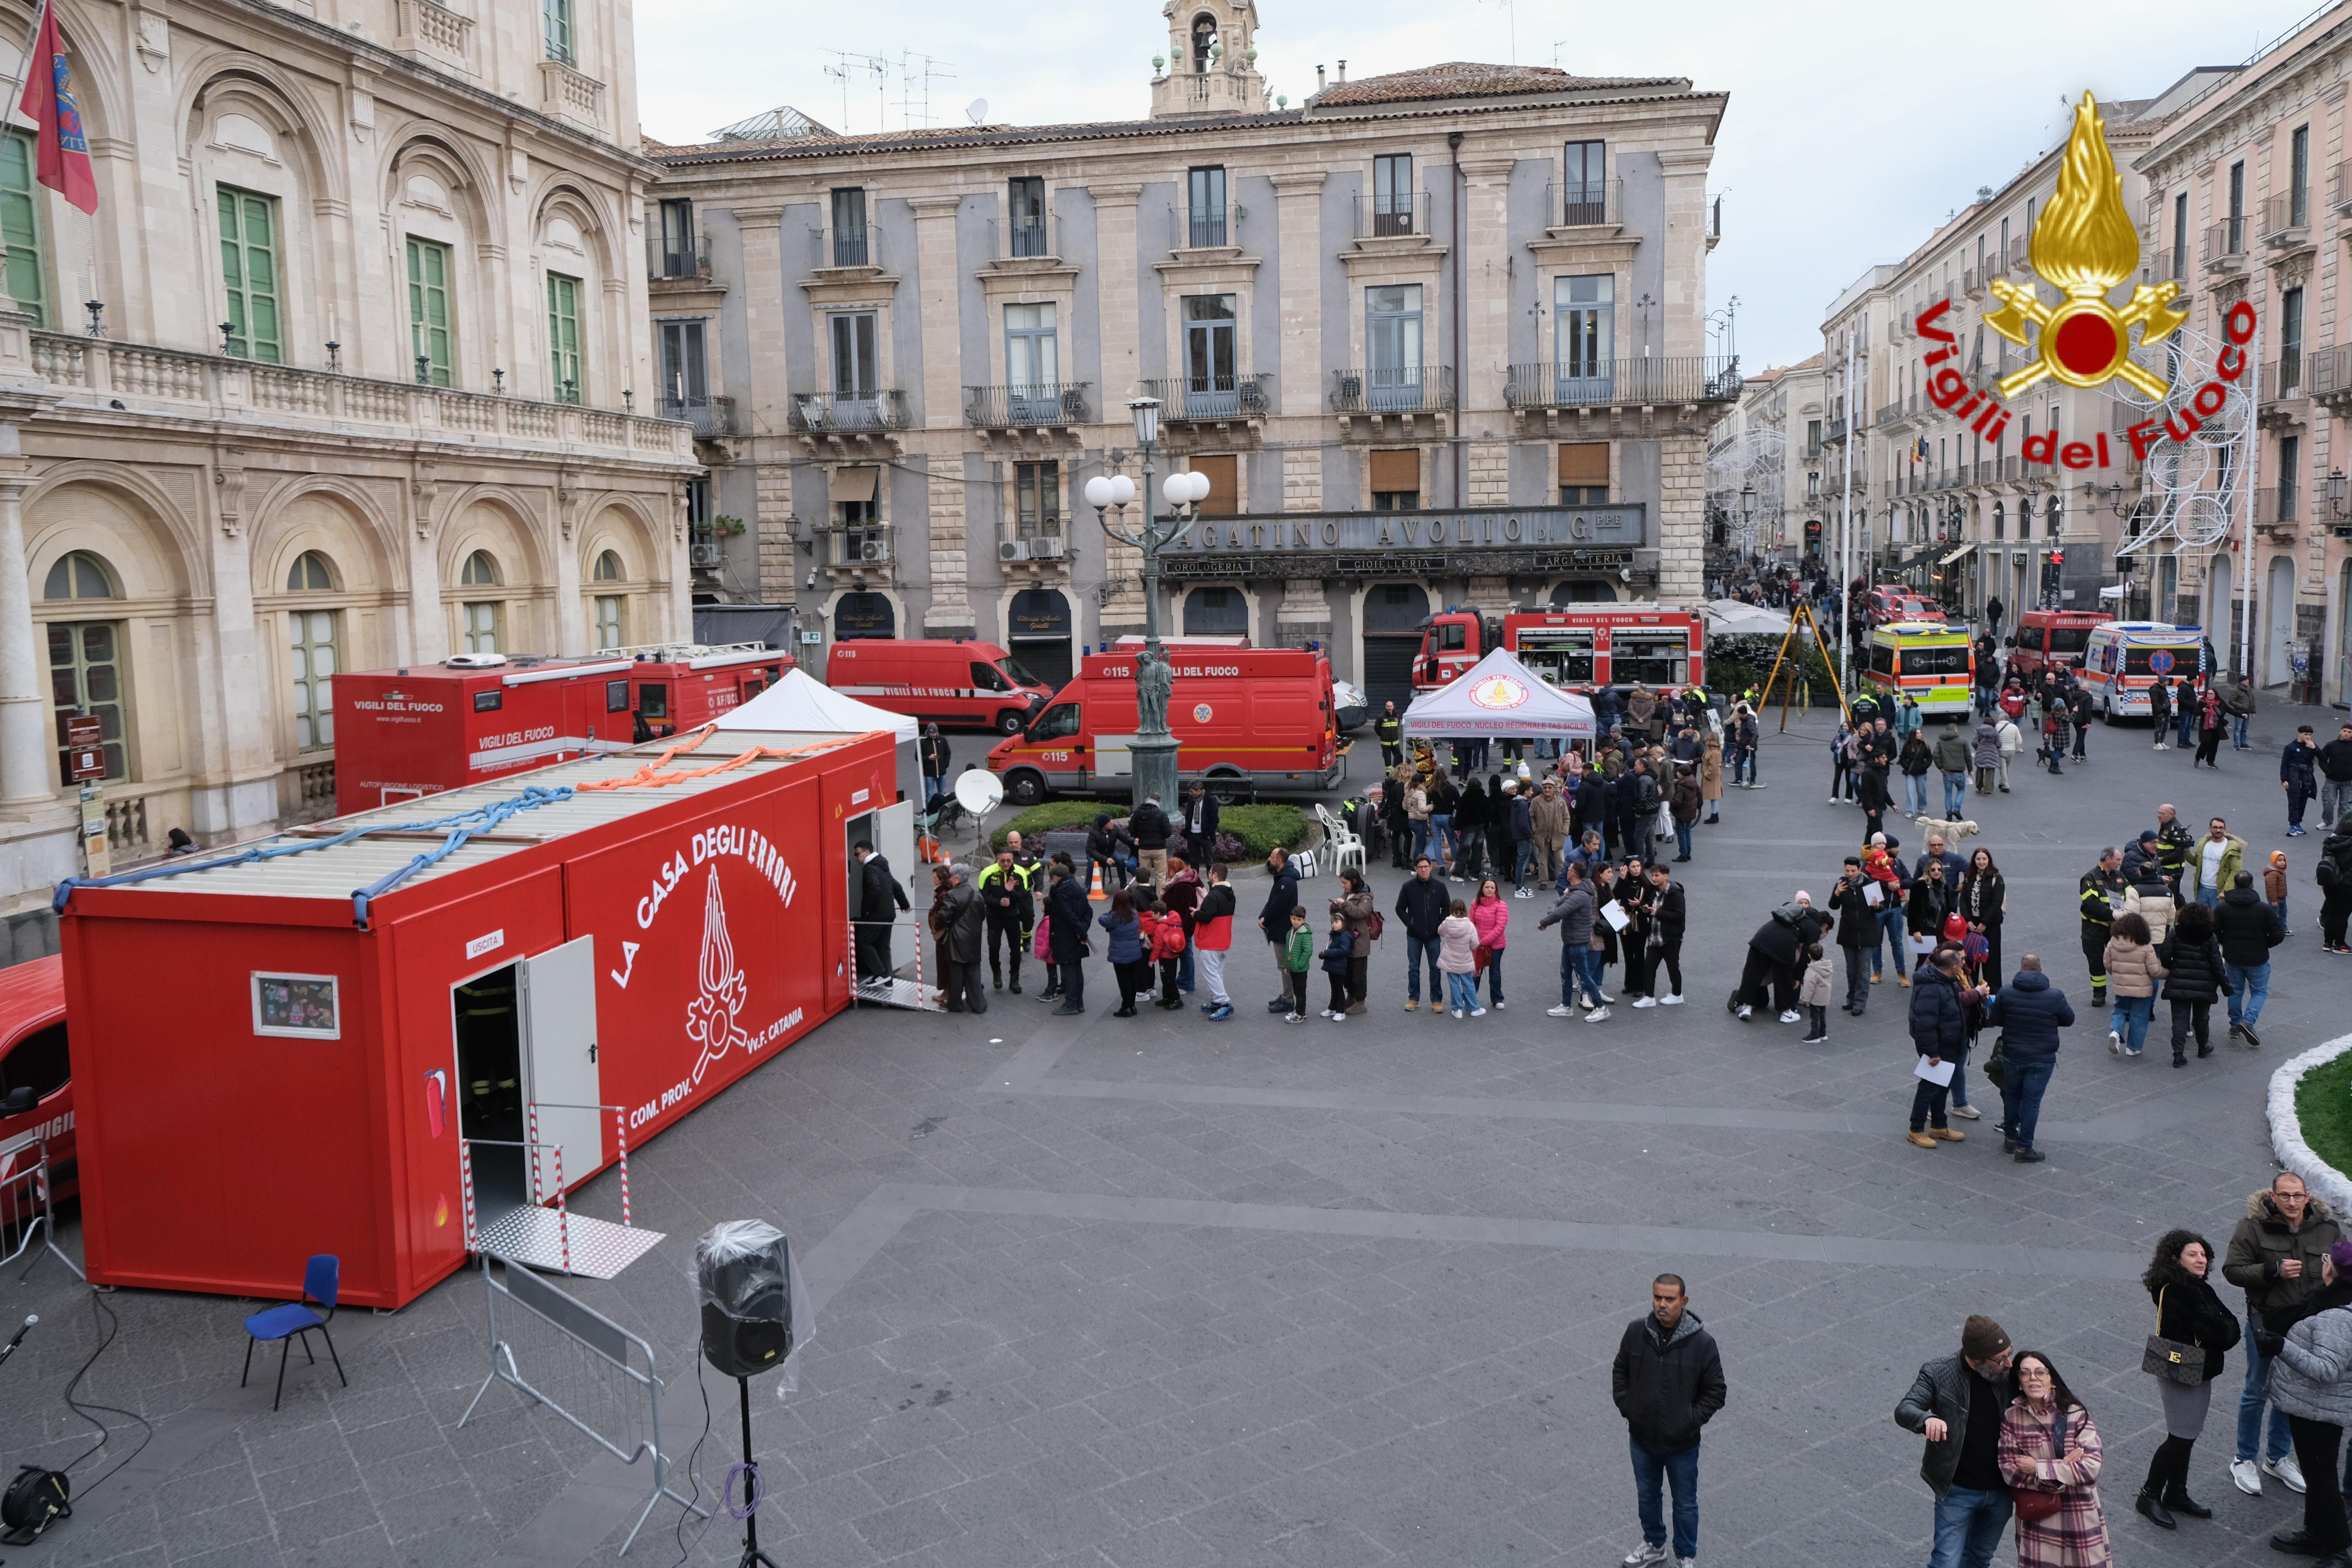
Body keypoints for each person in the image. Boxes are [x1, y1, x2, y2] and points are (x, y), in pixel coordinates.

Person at [2224, 1171, 2341, 1496]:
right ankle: (2244, 1459)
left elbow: (2344, 1268)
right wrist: (2270, 1270)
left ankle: (2277, 1458)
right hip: (2268, 1322)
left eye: (2298, 1195)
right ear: (2272, 1197)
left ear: (2307, 1197)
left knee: (2290, 1395)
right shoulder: (2252, 1227)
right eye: (2285, 1196)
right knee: (2256, 1390)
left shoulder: (2328, 1229)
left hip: (2307, 1326)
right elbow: (2232, 1270)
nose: (2292, 1202)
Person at [1610, 1274, 1725, 1568]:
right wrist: (1629, 1407)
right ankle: (1654, 1545)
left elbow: (1716, 1391)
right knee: (1647, 1495)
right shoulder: (1637, 1332)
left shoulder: (1702, 1344)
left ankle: (1686, 1557)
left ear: (1683, 1302)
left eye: (1670, 1299)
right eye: (1658, 1297)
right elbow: (1620, 1369)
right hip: (1642, 1439)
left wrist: (1689, 1420)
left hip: (1682, 1444)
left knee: (1685, 1504)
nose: (1662, 1305)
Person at [2134, 1229, 2242, 1530]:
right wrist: (2227, 1328)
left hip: (2198, 1368)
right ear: (2175, 1258)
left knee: (2188, 1435)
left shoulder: (2197, 1287)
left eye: (2204, 1254)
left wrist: (2227, 1328)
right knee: (2180, 1437)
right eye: (2192, 1254)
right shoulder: (2178, 1290)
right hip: (2181, 1370)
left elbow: (2228, 1324)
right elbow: (2223, 1331)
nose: (2201, 1260)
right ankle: (2149, 1495)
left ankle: (2176, 1493)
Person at [1895, 1314, 2017, 1568]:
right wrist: (1927, 1420)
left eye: (2010, 1353)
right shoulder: (1939, 1373)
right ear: (1976, 1360)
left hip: (2001, 1490)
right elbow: (1905, 1409)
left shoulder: (2010, 1376)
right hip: (1957, 1491)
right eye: (2001, 1359)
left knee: (1979, 1558)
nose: (2009, 1363)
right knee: (1946, 1562)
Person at [2261, 1241, 2352, 1565]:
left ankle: (2338, 1549)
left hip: (2320, 1409)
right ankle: (2315, 1534)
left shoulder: (2337, 1317)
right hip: (2310, 1405)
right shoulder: (2332, 1301)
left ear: (2334, 1270)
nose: (2323, 1263)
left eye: (2326, 1259)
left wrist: (2282, 1346)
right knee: (2317, 1476)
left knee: (2323, 1479)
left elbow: (2327, 1369)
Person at [1997, 1351, 2113, 1568]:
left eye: (2040, 1372)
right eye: (2025, 1373)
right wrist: (2064, 1471)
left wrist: (2039, 1468)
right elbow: (2010, 1471)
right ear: (2019, 1384)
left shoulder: (2075, 1414)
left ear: (2052, 1381)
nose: (2034, 1378)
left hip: (2079, 1518)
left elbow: (2091, 1470)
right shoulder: (2012, 1418)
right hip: (2039, 1522)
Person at [1984, 954, 2072, 1163]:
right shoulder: (2055, 996)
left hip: (2012, 1054)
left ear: (2021, 969)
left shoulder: (2006, 992)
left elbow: (1995, 1019)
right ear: (2040, 970)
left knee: (2012, 1096)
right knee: (2032, 1102)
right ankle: (2024, 1149)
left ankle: (2010, 1138)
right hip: (2042, 1058)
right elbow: (2069, 1020)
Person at [1907, 948, 1975, 1149]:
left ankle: (1939, 1125)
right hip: (1938, 1046)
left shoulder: (1946, 981)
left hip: (1949, 1042)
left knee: (1942, 1087)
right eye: (1961, 963)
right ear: (1953, 966)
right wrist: (1933, 1052)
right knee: (1928, 1088)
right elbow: (1925, 1023)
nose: (1963, 965)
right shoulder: (1931, 988)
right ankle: (1916, 1129)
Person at [2214, 869, 2283, 1047]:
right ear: (2252, 885)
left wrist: (2226, 942)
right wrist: (2265, 944)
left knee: (2236, 990)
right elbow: (2278, 934)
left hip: (2232, 956)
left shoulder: (2223, 908)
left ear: (2235, 885)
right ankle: (2249, 1021)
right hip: (2258, 957)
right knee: (2259, 991)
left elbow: (2215, 932)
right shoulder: (2264, 909)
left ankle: (2235, 1026)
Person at [2156, 900, 2229, 1067]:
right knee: (2202, 1019)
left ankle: (2178, 1055)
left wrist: (2172, 967)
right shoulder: (2210, 937)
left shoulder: (2175, 933)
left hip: (2178, 982)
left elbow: (2165, 956)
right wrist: (2225, 985)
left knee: (2180, 1021)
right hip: (2204, 984)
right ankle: (2203, 1047)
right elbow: (2217, 964)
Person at [1540, 864, 1606, 1020]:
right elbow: (1556, 905)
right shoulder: (1573, 891)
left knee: (1583, 976)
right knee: (1565, 973)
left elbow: (1560, 911)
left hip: (1577, 942)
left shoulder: (1579, 896)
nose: (1565, 871)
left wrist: (1544, 922)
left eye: (1568, 870)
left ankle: (1600, 1008)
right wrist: (1553, 914)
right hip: (1570, 940)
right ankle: (1566, 1006)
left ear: (1573, 873)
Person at [2101, 912, 2164, 1059]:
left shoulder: (2113, 943)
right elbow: (2155, 971)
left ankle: (2116, 1032)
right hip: (2142, 989)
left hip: (2121, 986)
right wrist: (2166, 972)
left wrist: (2117, 974)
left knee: (2120, 1010)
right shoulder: (2146, 947)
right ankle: (2133, 1048)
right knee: (2139, 1016)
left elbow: (2107, 964)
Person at [977, 846, 1037, 994]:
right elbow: (982, 897)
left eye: (1008, 861)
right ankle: (997, 973)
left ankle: (1014, 980)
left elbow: (1023, 896)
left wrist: (1011, 892)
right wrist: (999, 903)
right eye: (1002, 861)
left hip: (1012, 916)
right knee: (994, 948)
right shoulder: (988, 873)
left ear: (1012, 860)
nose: (1005, 864)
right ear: (997, 859)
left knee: (1016, 950)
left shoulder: (1020, 872)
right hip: (994, 917)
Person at [851, 840, 911, 984]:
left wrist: (865, 911)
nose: (856, 857)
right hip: (889, 913)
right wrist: (904, 904)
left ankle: (882, 974)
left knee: (863, 941)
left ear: (867, 853)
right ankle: (888, 981)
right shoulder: (882, 865)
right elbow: (896, 886)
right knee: (883, 946)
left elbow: (874, 889)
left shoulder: (869, 868)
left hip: (877, 914)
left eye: (857, 854)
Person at [1395, 856, 1449, 1013]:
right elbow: (1399, 908)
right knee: (1413, 968)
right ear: (1415, 869)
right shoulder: (1408, 887)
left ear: (1431, 868)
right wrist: (1410, 923)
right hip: (1414, 935)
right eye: (1420, 867)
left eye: (1426, 867)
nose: (1424, 870)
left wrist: (1438, 924)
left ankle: (1437, 1000)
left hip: (1433, 935)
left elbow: (1447, 908)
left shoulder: (1440, 887)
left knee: (1435, 968)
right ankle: (1414, 998)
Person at [931, 863, 987, 1014]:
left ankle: (955, 1004)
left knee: (956, 974)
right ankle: (978, 1004)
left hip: (956, 939)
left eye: (951, 877)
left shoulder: (952, 895)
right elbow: (982, 916)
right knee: (974, 972)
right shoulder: (978, 895)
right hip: (974, 939)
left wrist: (941, 925)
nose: (950, 879)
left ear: (957, 879)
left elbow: (943, 916)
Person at [2075, 848, 2125, 1008]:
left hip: (2115, 928)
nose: (2120, 863)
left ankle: (2122, 993)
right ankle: (2099, 993)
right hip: (2094, 928)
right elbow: (2092, 903)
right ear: (2108, 859)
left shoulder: (2120, 876)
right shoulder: (2090, 878)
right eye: (2118, 860)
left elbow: (2131, 894)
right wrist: (2112, 917)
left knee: (2120, 960)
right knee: (2096, 961)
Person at [1830, 857, 1877, 1017]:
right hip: (1848, 933)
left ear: (1860, 870)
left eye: (1853, 871)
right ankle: (1851, 998)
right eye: (1847, 871)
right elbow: (1833, 906)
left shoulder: (1870, 884)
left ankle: (1860, 1003)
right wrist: (1837, 894)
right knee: (1851, 969)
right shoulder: (1842, 884)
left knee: (1863, 970)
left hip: (1867, 934)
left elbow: (1879, 908)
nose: (1850, 874)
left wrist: (1877, 905)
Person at [1635, 863, 1686, 1008]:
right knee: (1649, 968)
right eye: (1653, 875)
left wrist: (1658, 913)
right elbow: (1653, 910)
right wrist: (1646, 910)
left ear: (1666, 875)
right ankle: (1649, 997)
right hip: (1654, 937)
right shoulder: (1654, 892)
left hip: (1670, 938)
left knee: (1672, 967)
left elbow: (1679, 915)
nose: (1654, 878)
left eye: (1657, 875)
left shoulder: (1676, 894)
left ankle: (1677, 995)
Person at [1257, 846, 1300, 1012]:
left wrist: (1266, 920)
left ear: (1279, 861)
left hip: (1282, 930)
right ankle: (1286, 995)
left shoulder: (1286, 881)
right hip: (1280, 928)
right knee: (1283, 965)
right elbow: (1272, 901)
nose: (1269, 859)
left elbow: (1277, 906)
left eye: (1272, 857)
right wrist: (1263, 915)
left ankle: (1289, 999)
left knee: (1284, 966)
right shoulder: (1283, 877)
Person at [1044, 860, 1091, 1015]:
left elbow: (1068, 917)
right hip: (1077, 937)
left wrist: (1080, 932)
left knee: (1068, 970)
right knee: (1077, 969)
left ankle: (1071, 1003)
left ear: (1057, 877)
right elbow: (1088, 912)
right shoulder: (1077, 888)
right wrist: (1083, 930)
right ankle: (1080, 1002)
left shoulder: (1061, 894)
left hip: (1065, 938)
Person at [1956, 848, 2006, 990]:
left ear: (1989, 860)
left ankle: (1993, 990)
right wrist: (1967, 920)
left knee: (1992, 959)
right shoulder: (1969, 876)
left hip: (1991, 926)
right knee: (1971, 958)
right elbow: (1963, 900)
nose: (1982, 862)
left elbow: (1997, 902)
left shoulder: (1997, 878)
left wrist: (1985, 923)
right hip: (1972, 925)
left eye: (1984, 859)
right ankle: (1971, 989)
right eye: (1979, 859)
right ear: (1974, 860)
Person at [1192, 864, 1236, 1021]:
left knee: (1211, 974)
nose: (1209, 875)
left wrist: (1196, 913)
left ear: (1215, 875)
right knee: (1217, 973)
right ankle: (1216, 1000)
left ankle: (1223, 1003)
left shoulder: (1213, 896)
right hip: (1223, 940)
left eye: (1210, 872)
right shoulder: (1230, 894)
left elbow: (1206, 917)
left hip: (1211, 942)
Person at [1328, 868, 1374, 1015]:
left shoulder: (1366, 897)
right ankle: (1351, 997)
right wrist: (1335, 906)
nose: (1343, 886)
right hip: (1346, 939)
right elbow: (1341, 912)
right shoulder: (1347, 894)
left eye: (1345, 883)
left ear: (1353, 882)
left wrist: (1345, 904)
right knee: (1347, 972)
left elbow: (1359, 913)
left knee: (1359, 975)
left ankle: (1361, 1002)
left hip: (1359, 940)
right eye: (1342, 883)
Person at [1097, 888, 1148, 1018]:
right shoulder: (1134, 913)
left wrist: (1112, 910)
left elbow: (1102, 919)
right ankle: (1132, 1005)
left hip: (1120, 954)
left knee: (1123, 981)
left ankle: (1126, 1007)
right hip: (1134, 952)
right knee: (1132, 979)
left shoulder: (1115, 916)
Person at [2184, 814, 2245, 909]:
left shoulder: (2233, 848)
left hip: (2219, 891)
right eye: (2215, 827)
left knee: (2217, 920)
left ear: (2225, 829)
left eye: (2221, 828)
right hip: (2202, 890)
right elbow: (2196, 862)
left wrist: (2226, 891)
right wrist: (2186, 850)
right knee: (2201, 919)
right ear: (2210, 829)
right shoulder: (2203, 844)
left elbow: (2235, 871)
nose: (2218, 830)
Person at [1436, 898, 1481, 1019]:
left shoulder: (1447, 923)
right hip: (1465, 959)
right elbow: (1475, 944)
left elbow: (1440, 932)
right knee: (1469, 983)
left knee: (1454, 984)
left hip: (1450, 958)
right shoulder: (1470, 925)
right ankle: (1474, 1008)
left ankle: (1457, 1009)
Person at [1471, 877, 1509, 1012]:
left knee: (1495, 972)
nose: (1489, 890)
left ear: (1496, 890)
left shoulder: (1501, 905)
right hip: (1477, 944)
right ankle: (1471, 998)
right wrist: (1476, 940)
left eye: (1492, 888)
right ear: (1482, 889)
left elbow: (1500, 927)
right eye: (1487, 887)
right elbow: (1471, 922)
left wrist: (1483, 941)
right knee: (1476, 972)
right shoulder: (1475, 903)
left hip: (1495, 945)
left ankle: (1498, 999)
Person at [1276, 905, 1313, 1022]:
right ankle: (1299, 1010)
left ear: (1304, 921)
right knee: (1297, 990)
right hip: (1292, 968)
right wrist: (1286, 965)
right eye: (1294, 919)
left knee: (1300, 992)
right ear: (1291, 918)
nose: (1296, 922)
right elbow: (1288, 950)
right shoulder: (1290, 932)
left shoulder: (1306, 935)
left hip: (1300, 969)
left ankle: (1300, 1015)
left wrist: (1299, 965)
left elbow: (1308, 951)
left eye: (1299, 920)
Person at [1129, 794, 1172, 889]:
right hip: (1159, 849)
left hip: (1144, 848)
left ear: (1148, 800)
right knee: (1161, 876)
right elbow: (1168, 833)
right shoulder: (1161, 814)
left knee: (1143, 876)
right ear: (1159, 802)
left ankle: (1143, 898)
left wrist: (1139, 836)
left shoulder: (1137, 813)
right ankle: (1159, 901)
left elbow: (1131, 829)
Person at [2325, 812, 2352, 955]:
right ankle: (2340, 945)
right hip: (2348, 884)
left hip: (2330, 882)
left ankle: (2328, 942)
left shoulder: (2330, 843)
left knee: (2331, 911)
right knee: (2343, 915)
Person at [1933, 721, 1971, 818]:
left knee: (1948, 793)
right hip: (1959, 772)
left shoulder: (1941, 741)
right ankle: (1957, 809)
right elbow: (1968, 757)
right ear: (1956, 730)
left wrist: (1940, 767)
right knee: (1961, 790)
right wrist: (1970, 770)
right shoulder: (1962, 741)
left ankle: (1949, 814)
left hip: (1947, 772)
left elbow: (1935, 755)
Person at [1796, 942, 1832, 1043]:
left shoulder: (1812, 971)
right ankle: (1822, 1033)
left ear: (1809, 955)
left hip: (1815, 999)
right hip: (1824, 996)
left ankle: (1815, 1035)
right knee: (1822, 1015)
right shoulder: (1827, 967)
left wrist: (1805, 999)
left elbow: (1809, 987)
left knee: (1815, 1017)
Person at [1087, 812, 1132, 893]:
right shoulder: (1093, 832)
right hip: (1096, 854)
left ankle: (1123, 884)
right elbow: (1091, 850)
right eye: (1109, 823)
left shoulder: (1114, 829)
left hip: (1110, 852)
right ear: (1104, 825)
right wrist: (1105, 859)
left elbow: (1125, 838)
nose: (1112, 823)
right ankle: (1088, 886)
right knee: (1091, 862)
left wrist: (1134, 840)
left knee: (1120, 860)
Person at [1180, 780, 1221, 862]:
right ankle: (1195, 875)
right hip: (1192, 835)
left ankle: (1210, 874)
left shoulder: (1211, 800)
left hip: (1205, 836)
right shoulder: (1191, 799)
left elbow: (1215, 819)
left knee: (1209, 861)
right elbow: (1188, 815)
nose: (1190, 794)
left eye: (1191, 791)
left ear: (1198, 791)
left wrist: (1209, 833)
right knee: (1193, 861)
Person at [2322, 722, 2352, 830]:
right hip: (2331, 780)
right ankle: (2327, 821)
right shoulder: (2332, 745)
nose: (2346, 734)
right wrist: (2327, 771)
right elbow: (2322, 759)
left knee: (2346, 806)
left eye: (2349, 732)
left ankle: (2341, 827)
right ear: (2341, 731)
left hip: (2348, 782)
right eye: (2344, 731)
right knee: (2328, 803)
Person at [1899, 729, 1935, 818]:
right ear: (1913, 735)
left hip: (1921, 772)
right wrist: (1906, 766)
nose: (1920, 735)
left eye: (1920, 733)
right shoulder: (1907, 746)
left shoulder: (1925, 745)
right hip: (1910, 772)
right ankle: (1910, 811)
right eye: (1918, 733)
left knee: (1921, 791)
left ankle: (1922, 807)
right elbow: (1903, 758)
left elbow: (1929, 758)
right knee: (1910, 792)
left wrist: (1924, 766)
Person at [1668, 765, 1699, 863]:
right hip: (1690, 811)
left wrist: (1671, 802)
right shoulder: (1693, 781)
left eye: (1678, 772)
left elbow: (1677, 802)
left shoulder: (1681, 785)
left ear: (1682, 774)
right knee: (1687, 832)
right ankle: (1688, 853)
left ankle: (1683, 854)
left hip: (1682, 812)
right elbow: (1699, 793)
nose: (1677, 773)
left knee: (1681, 833)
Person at [2194, 682, 2226, 768]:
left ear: (2215, 695)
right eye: (2208, 694)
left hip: (2216, 728)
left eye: (2212, 694)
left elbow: (2229, 710)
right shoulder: (2202, 703)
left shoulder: (2220, 702)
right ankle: (2198, 758)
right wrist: (2203, 711)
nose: (2210, 695)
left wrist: (2241, 715)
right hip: (2206, 727)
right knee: (2205, 744)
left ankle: (2211, 762)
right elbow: (2195, 713)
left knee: (2214, 745)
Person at [919, 723, 950, 809]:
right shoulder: (923, 742)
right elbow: (917, 757)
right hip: (929, 774)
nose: (933, 735)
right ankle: (929, 812)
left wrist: (945, 765)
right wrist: (928, 758)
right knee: (929, 794)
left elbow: (948, 753)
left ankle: (943, 811)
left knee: (943, 794)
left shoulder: (942, 740)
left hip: (941, 773)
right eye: (932, 733)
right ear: (928, 732)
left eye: (935, 733)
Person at [2148, 672, 2172, 750]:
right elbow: (2155, 702)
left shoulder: (2163, 689)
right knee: (2159, 727)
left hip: (2166, 711)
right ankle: (2157, 743)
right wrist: (2159, 712)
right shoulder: (2155, 689)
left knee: (2165, 728)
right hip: (2160, 712)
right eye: (2167, 681)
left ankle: (2162, 742)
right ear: (2163, 681)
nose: (2168, 682)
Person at [1375, 700, 1402, 768]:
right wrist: (1382, 735)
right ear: (1385, 707)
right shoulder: (1381, 717)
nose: (1389, 708)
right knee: (1387, 760)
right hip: (1385, 743)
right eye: (1388, 706)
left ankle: (1394, 771)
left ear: (1393, 707)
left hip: (1395, 743)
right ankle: (1388, 774)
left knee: (1399, 757)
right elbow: (1376, 728)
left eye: (1391, 706)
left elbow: (1397, 727)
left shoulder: (1397, 717)